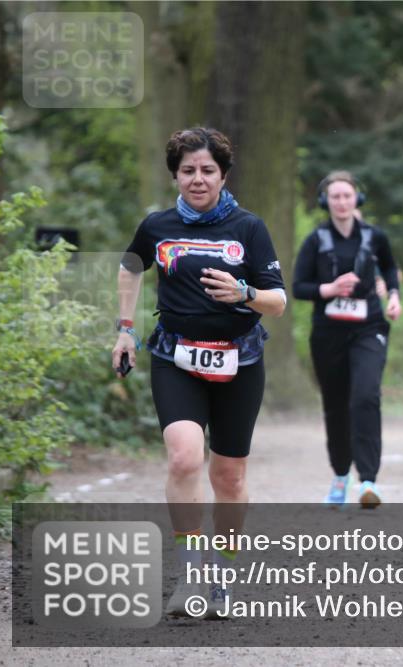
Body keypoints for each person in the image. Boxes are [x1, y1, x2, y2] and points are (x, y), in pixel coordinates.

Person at [112, 127, 286, 618]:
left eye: (208, 170)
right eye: (188, 170)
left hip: (240, 360)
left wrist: (244, 294)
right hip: (176, 358)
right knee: (185, 458)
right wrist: (125, 328)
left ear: (223, 175)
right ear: (175, 175)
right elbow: (130, 267)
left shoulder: (249, 228)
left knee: (228, 476)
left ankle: (223, 576)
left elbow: (278, 301)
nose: (197, 179)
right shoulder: (157, 226)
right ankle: (190, 576)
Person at [293, 171, 401, 508]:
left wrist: (394, 295)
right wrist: (328, 289)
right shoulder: (315, 241)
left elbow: (389, 267)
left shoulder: (374, 236)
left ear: (357, 199)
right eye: (335, 196)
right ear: (326, 202)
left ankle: (368, 481)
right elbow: (298, 287)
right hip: (328, 333)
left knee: (366, 395)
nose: (341, 202)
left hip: (368, 327)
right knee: (336, 404)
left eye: (347, 196)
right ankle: (340, 475)